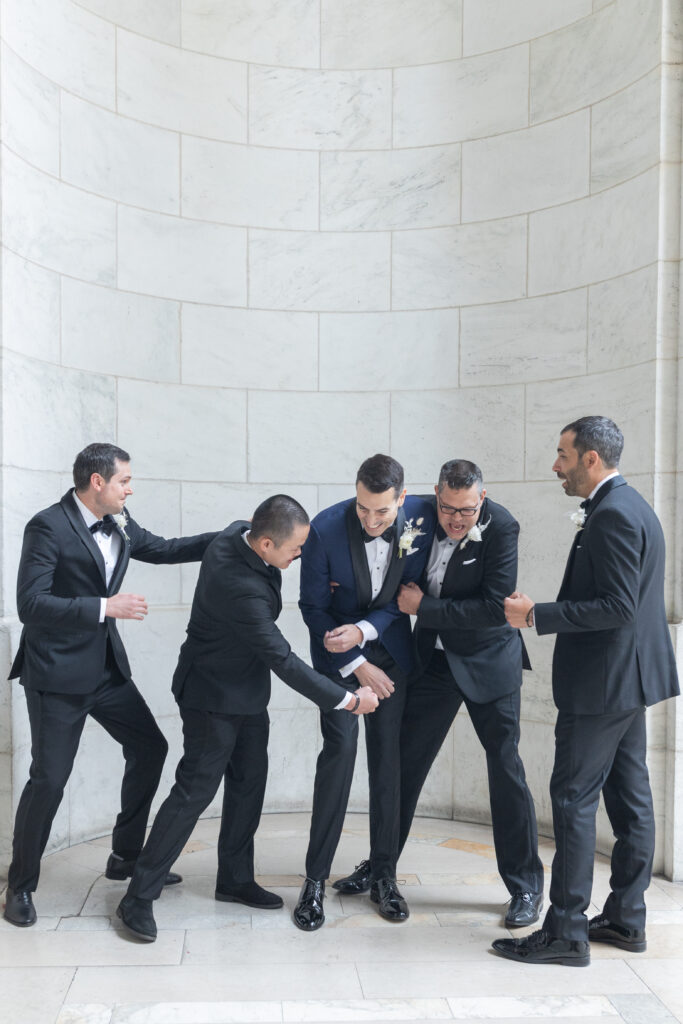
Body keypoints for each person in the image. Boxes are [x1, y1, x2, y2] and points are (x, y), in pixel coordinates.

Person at [116, 494, 378, 942]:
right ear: (264, 545)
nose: (301, 555)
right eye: (295, 548)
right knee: (193, 792)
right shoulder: (241, 588)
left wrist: (130, 528)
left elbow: (175, 548)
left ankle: (234, 879)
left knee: (249, 781)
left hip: (247, 693)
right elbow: (284, 659)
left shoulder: (237, 530)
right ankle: (138, 897)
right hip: (209, 697)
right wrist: (348, 701)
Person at [4, 442, 217, 928]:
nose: (130, 488)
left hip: (104, 671)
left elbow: (162, 549)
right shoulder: (47, 526)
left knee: (150, 747)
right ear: (97, 482)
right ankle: (20, 886)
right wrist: (106, 607)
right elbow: (30, 605)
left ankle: (125, 857)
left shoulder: (120, 519)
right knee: (49, 781)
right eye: (124, 480)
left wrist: (230, 537)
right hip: (56, 676)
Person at [495, 416, 679, 967]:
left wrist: (536, 615)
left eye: (563, 456)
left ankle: (566, 931)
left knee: (573, 801)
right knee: (630, 801)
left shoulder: (614, 515)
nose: (556, 466)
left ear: (591, 459)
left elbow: (618, 607)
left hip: (603, 686)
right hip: (629, 680)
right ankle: (625, 918)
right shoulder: (632, 505)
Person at [396, 459, 544, 927]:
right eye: (448, 508)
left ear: (483, 497)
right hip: (433, 662)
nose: (457, 520)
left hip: (487, 661)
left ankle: (524, 887)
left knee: (506, 771)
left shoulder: (501, 527)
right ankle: (381, 868)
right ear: (435, 494)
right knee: (402, 764)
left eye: (466, 510)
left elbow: (493, 608)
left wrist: (425, 607)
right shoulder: (415, 514)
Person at [293, 454, 434, 930]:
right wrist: (353, 659)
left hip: (390, 654)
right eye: (362, 509)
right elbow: (312, 608)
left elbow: (402, 600)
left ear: (402, 497)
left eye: (383, 512)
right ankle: (313, 881)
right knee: (339, 756)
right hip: (337, 660)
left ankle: (384, 876)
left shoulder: (420, 519)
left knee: (388, 764)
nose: (372, 521)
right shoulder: (325, 529)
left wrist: (365, 634)